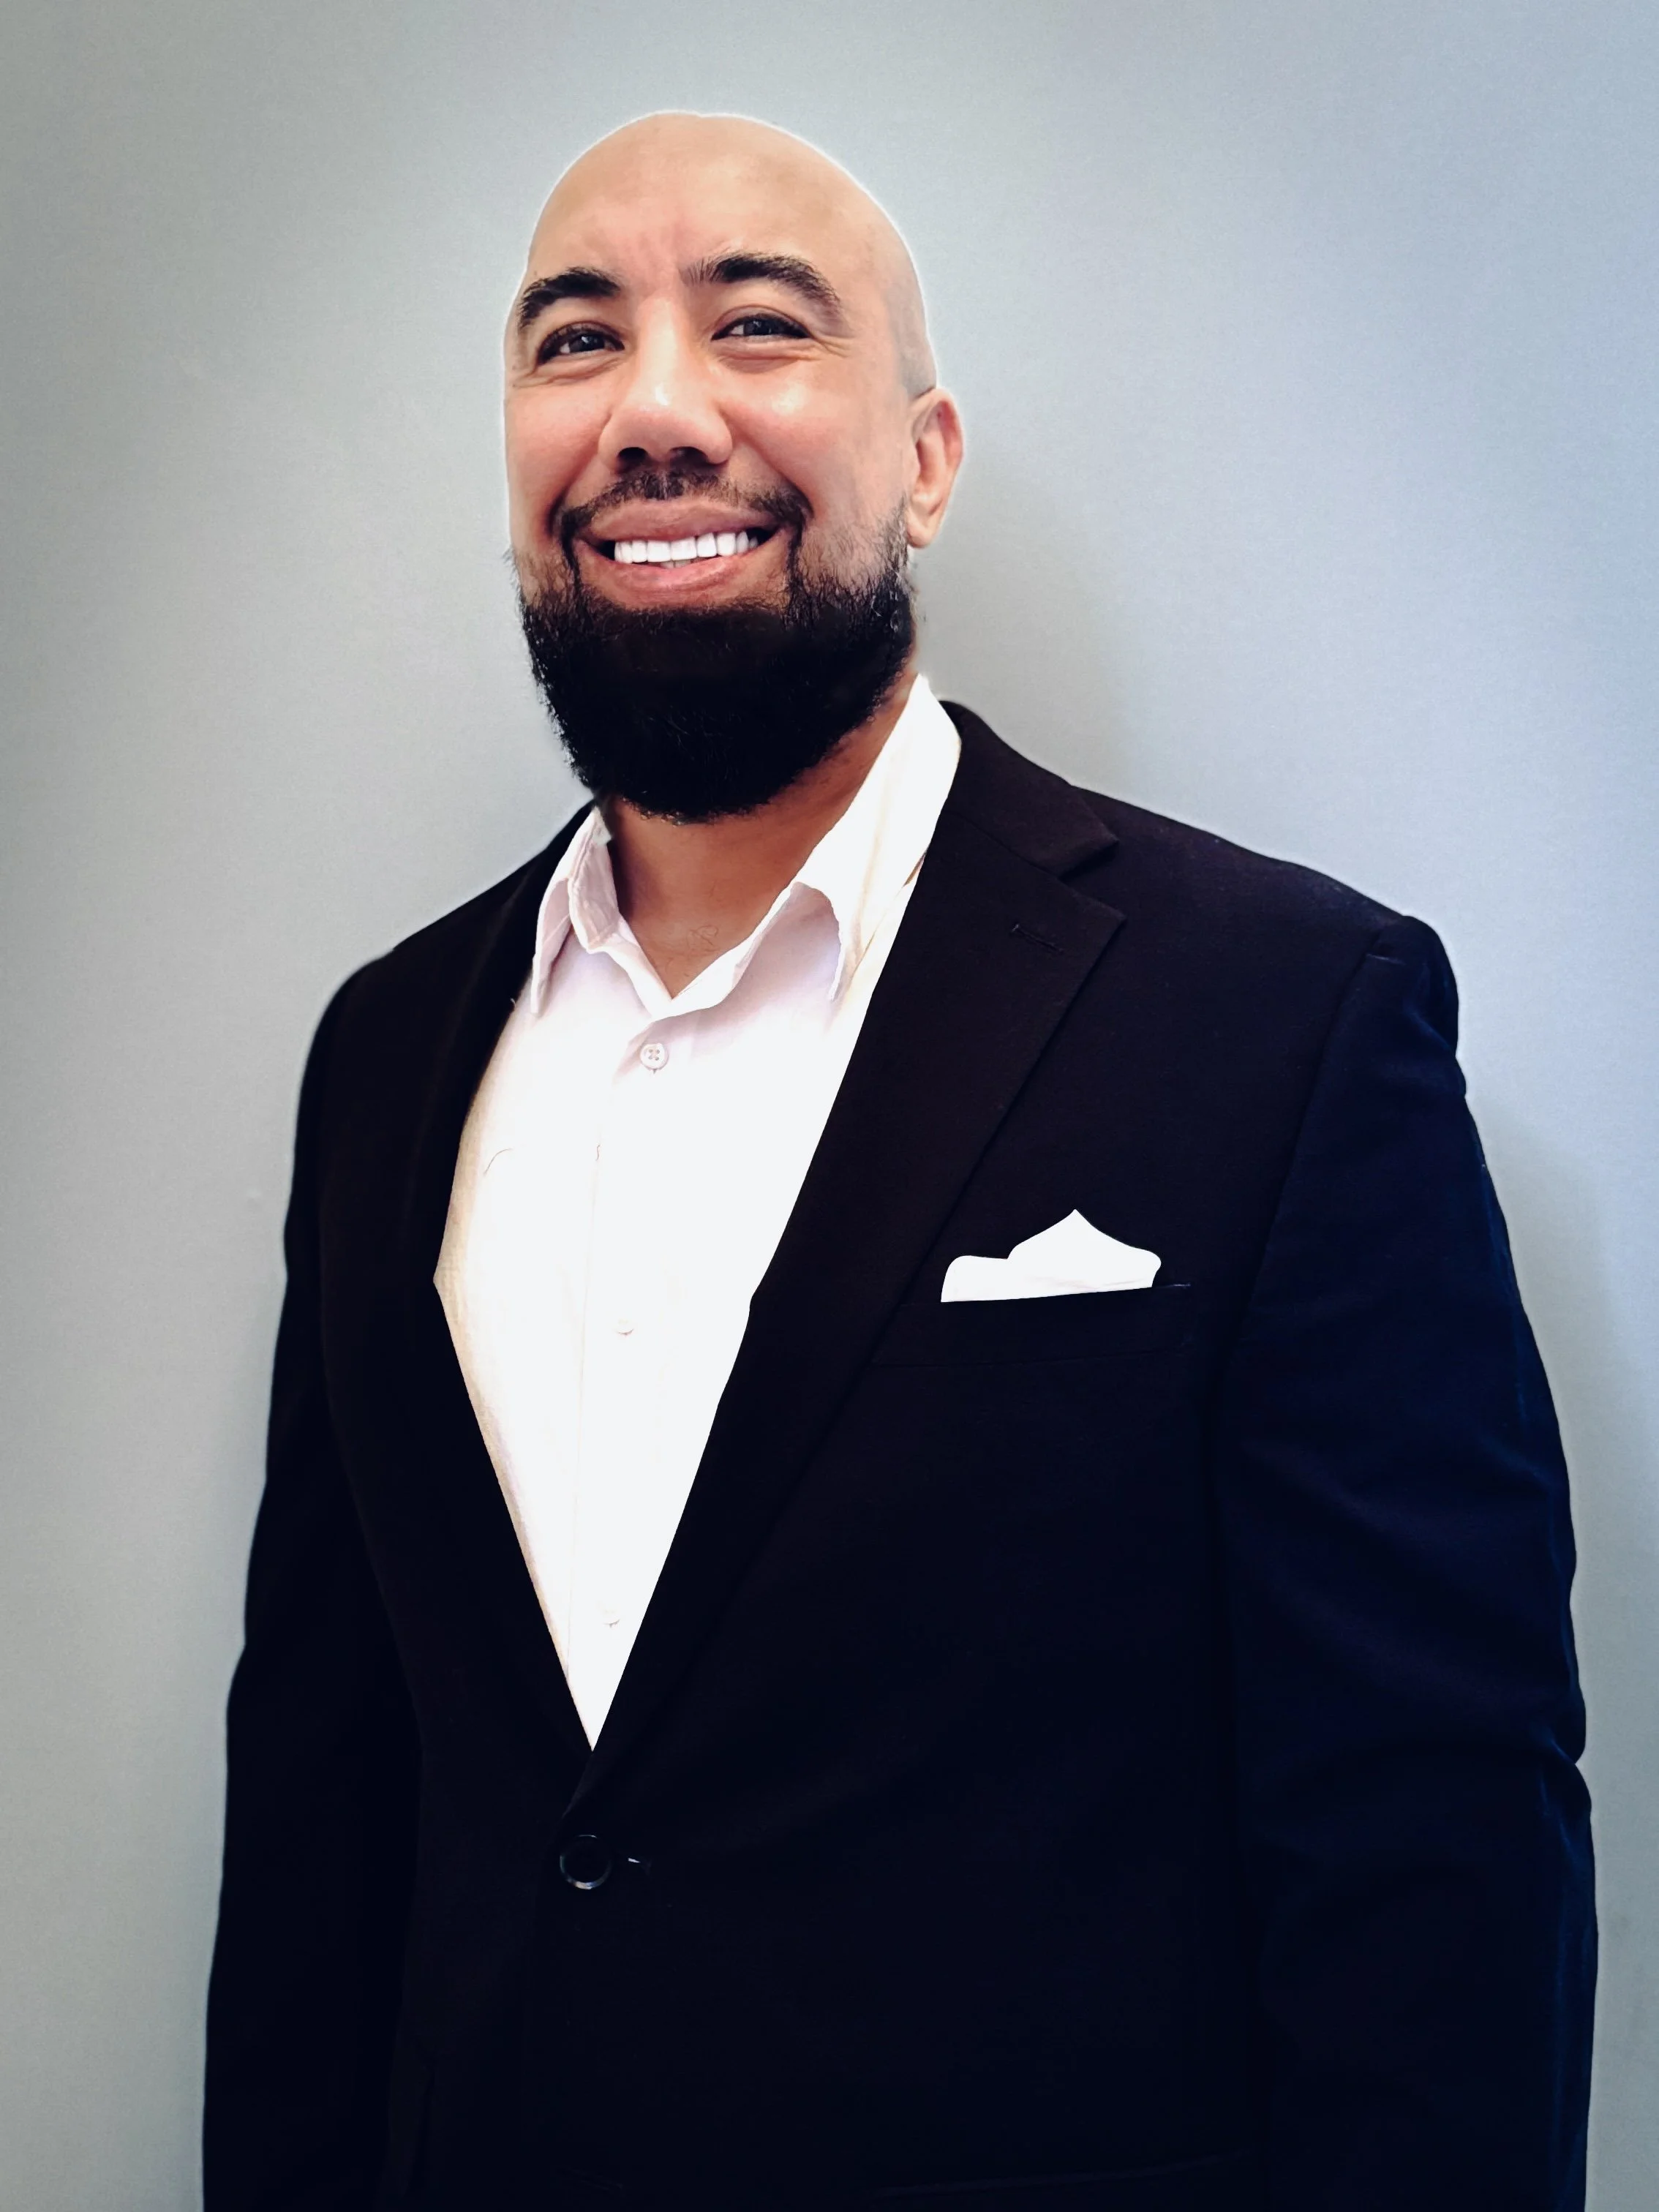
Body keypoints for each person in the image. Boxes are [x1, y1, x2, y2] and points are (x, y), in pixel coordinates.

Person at [203, 113, 1595, 2212]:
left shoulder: (1279, 1015)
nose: (653, 408)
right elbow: (322, 1803)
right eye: (572, 342)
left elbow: (1430, 1846)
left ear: (923, 457)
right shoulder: (383, 1055)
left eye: (757, 327)